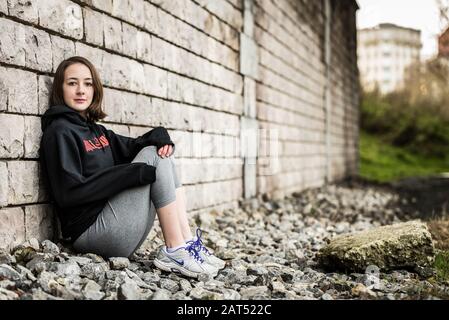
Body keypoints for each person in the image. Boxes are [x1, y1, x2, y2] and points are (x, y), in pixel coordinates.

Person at [39, 56, 226, 279]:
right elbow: (68, 193)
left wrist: (160, 136)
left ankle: (187, 243)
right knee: (151, 157)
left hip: (117, 230)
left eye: (88, 83)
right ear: (60, 88)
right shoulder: (59, 132)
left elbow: (134, 146)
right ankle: (174, 249)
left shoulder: (97, 132)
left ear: (95, 89)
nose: (81, 90)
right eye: (72, 83)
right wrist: (130, 174)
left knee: (158, 151)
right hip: (91, 233)